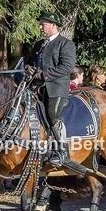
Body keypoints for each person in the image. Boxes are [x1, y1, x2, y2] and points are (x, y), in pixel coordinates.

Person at [25, 10, 76, 168]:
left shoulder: (66, 44)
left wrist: (43, 75)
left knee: (51, 115)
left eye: (43, 24)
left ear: (53, 25)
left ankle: (62, 151)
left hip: (56, 88)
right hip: (36, 87)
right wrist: (28, 69)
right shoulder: (39, 44)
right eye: (40, 24)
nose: (40, 27)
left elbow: (67, 67)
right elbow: (29, 62)